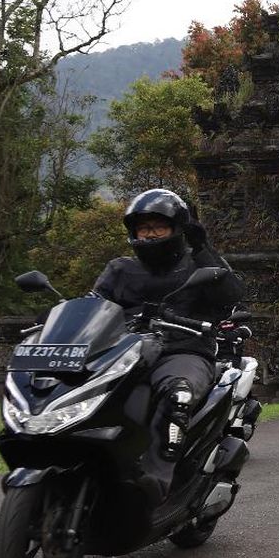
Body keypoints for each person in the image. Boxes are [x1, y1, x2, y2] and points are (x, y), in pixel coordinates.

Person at [93, 189, 243, 504]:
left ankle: (156, 480)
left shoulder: (197, 265)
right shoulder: (120, 269)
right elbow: (93, 307)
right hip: (125, 353)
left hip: (183, 352)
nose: (149, 234)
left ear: (176, 229)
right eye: (143, 228)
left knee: (178, 393)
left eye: (157, 227)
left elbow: (230, 296)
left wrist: (203, 248)